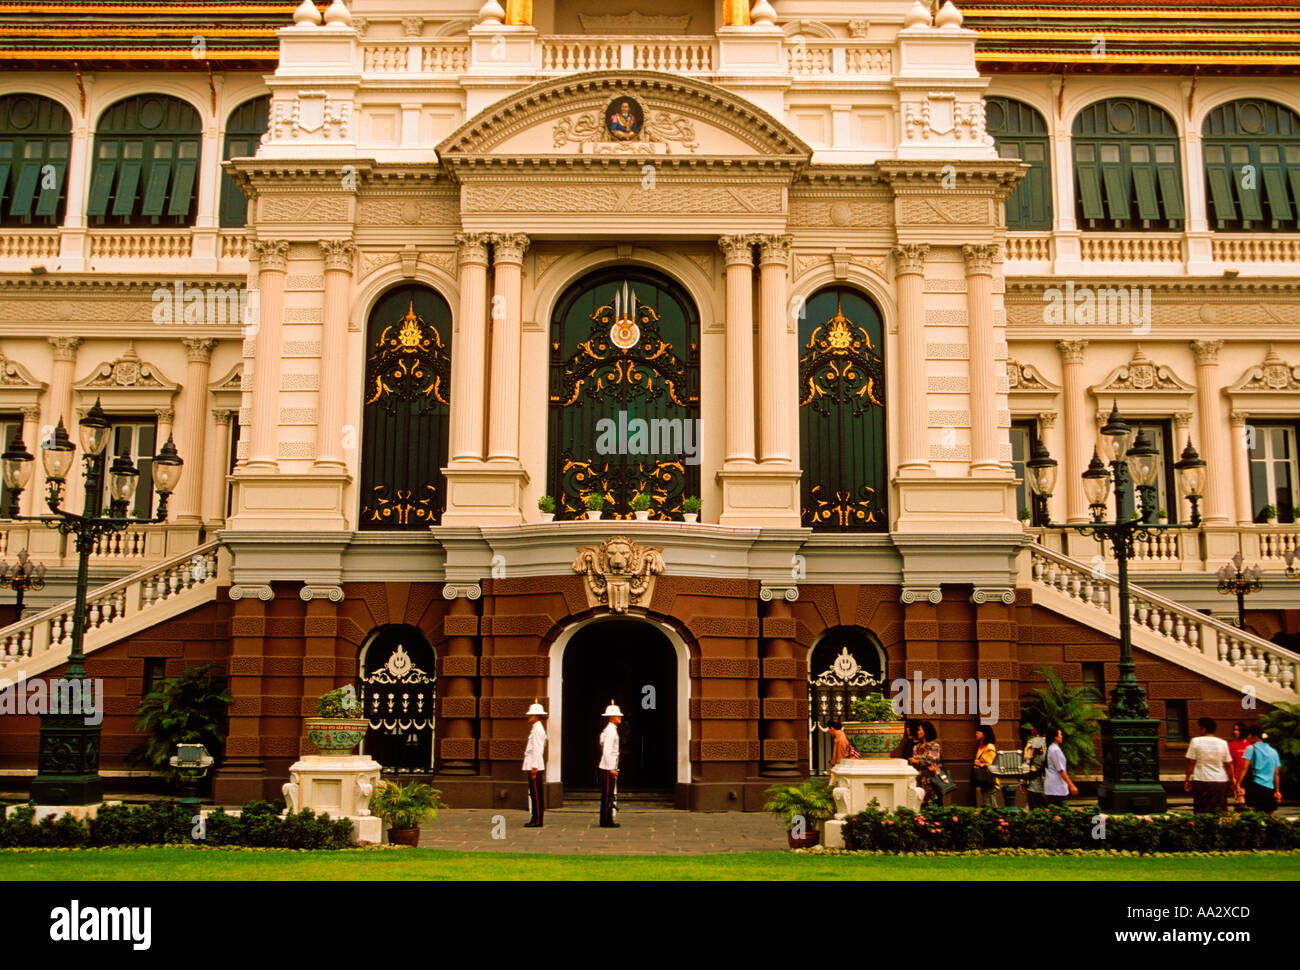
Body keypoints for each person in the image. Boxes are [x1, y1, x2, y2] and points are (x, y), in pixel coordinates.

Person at [1184, 716, 1233, 814]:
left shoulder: (1195, 741)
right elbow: (1228, 764)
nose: (1198, 729)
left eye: (1198, 727)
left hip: (1202, 779)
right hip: (1220, 780)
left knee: (1201, 810)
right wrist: (1232, 780)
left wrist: (1187, 778)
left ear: (1203, 728)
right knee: (1220, 811)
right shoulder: (1222, 743)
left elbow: (1191, 762)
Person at [1238, 724, 1282, 814]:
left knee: (1255, 813)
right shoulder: (1274, 751)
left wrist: (1238, 783)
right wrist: (1277, 790)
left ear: (1255, 736)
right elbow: (1276, 773)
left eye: (1249, 735)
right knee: (1269, 813)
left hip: (1256, 785)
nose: (1248, 737)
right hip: (1269, 787)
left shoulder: (1251, 748)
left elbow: (1245, 768)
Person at [521, 700, 547, 827]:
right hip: (533, 765)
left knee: (536, 795)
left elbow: (537, 749)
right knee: (535, 793)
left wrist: (534, 767)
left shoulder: (537, 729)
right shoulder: (536, 728)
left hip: (534, 766)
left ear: (536, 716)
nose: (529, 717)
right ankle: (535, 818)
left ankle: (537, 820)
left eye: (531, 715)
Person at [598, 700, 622, 827]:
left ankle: (606, 819)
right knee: (608, 795)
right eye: (618, 716)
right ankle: (607, 820)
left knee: (608, 795)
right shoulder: (611, 731)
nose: (620, 718)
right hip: (608, 767)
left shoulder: (609, 730)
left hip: (608, 766)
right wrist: (611, 769)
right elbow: (607, 751)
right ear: (612, 717)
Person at [908, 721, 943, 805]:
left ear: (926, 731)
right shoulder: (917, 747)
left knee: (933, 804)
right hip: (919, 780)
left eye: (920, 730)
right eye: (918, 730)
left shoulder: (934, 746)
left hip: (932, 781)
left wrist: (917, 761)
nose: (918, 732)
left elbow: (932, 760)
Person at [1044, 726, 1078, 807]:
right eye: (1060, 734)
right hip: (1056, 788)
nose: (1061, 736)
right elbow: (1061, 770)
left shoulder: (1051, 748)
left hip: (1054, 787)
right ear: (1055, 737)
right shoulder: (1055, 750)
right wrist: (1071, 785)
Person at [1020, 721, 1049, 809]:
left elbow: (1027, 762)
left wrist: (1023, 781)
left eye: (1032, 727)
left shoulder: (1032, 742)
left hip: (1033, 781)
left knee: (1035, 809)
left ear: (1036, 729)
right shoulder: (1048, 742)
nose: (1031, 728)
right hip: (1046, 780)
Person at [972, 722, 1000, 808]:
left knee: (991, 805)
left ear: (984, 734)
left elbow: (993, 765)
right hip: (985, 781)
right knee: (986, 804)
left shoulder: (989, 747)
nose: (976, 733)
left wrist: (981, 764)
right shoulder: (982, 747)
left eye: (978, 731)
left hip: (990, 781)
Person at [826, 719, 860, 786]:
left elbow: (840, 758)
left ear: (832, 728)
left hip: (839, 771)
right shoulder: (839, 738)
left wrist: (833, 769)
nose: (829, 732)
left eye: (829, 729)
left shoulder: (840, 740)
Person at [1228, 720, 1251, 811]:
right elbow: (1231, 763)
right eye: (1234, 729)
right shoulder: (1232, 745)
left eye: (1237, 730)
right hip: (1237, 778)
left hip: (1249, 778)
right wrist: (1233, 777)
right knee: (1240, 803)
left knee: (1249, 804)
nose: (1235, 732)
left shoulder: (1250, 745)